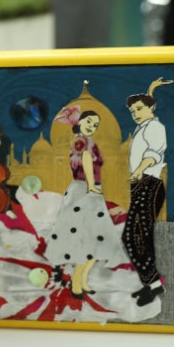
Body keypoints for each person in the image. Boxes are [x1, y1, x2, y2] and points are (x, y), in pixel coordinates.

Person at [46, 106, 117, 298]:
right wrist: (91, 186)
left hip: (88, 189)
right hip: (84, 189)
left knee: (94, 238)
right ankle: (76, 282)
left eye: (95, 124)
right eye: (89, 122)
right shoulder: (82, 141)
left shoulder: (86, 140)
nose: (92, 126)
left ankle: (83, 280)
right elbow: (86, 159)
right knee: (86, 239)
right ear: (80, 122)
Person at [121, 78, 172, 307]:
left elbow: (153, 154)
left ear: (151, 108)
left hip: (148, 183)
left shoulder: (155, 127)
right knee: (135, 236)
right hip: (140, 185)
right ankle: (151, 283)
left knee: (136, 236)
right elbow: (148, 105)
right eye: (132, 111)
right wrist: (150, 90)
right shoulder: (143, 127)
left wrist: (138, 172)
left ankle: (153, 284)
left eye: (139, 109)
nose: (135, 114)